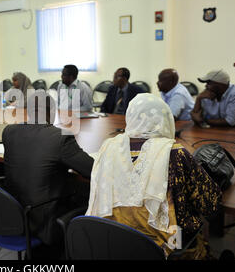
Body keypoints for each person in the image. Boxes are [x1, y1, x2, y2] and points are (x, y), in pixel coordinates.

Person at [86, 93, 222, 259]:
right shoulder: (175, 154)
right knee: (196, 221)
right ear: (165, 119)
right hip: (166, 244)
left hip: (114, 236)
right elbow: (211, 205)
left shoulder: (108, 146)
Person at [2, 91, 94, 256]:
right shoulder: (60, 137)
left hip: (14, 211)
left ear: (28, 111)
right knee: (87, 191)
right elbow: (91, 170)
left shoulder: (9, 131)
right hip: (43, 219)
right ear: (52, 112)